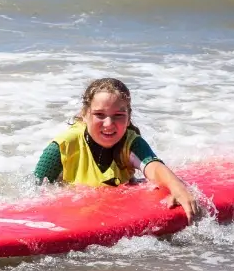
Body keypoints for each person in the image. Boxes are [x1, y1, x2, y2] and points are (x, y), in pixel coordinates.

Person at [32, 78, 198, 220]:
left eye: (118, 115)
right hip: (72, 213)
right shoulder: (62, 147)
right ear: (85, 114)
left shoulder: (131, 143)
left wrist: (178, 188)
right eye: (100, 115)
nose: (109, 124)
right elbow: (34, 192)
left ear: (128, 117)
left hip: (110, 211)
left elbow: (153, 167)